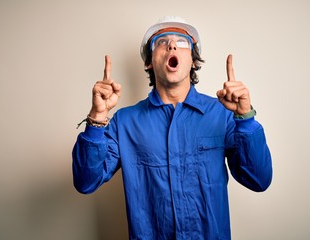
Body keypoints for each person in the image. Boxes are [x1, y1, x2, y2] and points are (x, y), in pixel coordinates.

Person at [72, 16, 272, 240]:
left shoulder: (223, 115)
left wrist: (245, 119)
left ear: (194, 61)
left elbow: (259, 180)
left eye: (182, 41)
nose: (172, 45)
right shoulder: (124, 123)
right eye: (161, 41)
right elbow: (85, 181)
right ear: (149, 62)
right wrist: (97, 117)